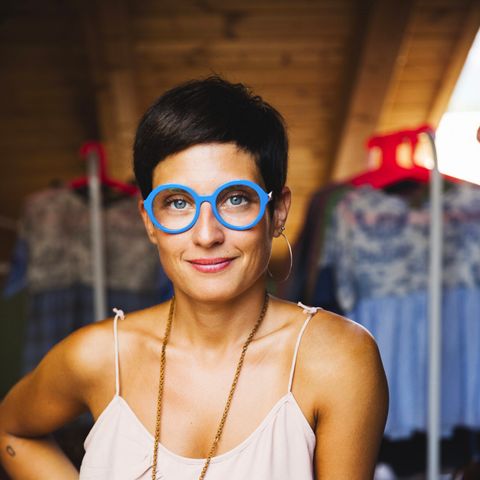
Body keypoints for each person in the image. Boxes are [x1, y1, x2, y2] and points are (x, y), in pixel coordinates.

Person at [0, 76, 388, 479]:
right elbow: (13, 430)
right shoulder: (98, 356)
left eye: (235, 199)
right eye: (178, 203)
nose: (207, 235)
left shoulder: (337, 359)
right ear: (149, 220)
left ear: (278, 212)